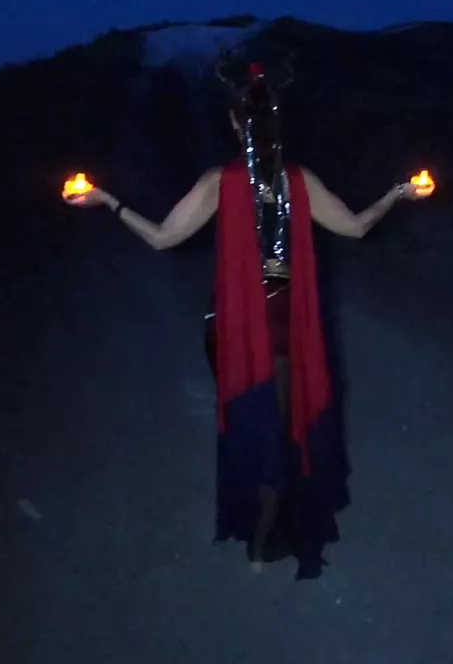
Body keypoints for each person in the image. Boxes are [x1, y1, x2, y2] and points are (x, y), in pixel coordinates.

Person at [63, 58, 425, 579]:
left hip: (232, 327)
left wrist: (106, 201)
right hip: (284, 328)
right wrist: (397, 194)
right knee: (279, 430)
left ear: (236, 124)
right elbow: (355, 227)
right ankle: (263, 540)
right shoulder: (299, 181)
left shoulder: (219, 182)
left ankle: (258, 533)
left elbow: (164, 238)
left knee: (251, 425)